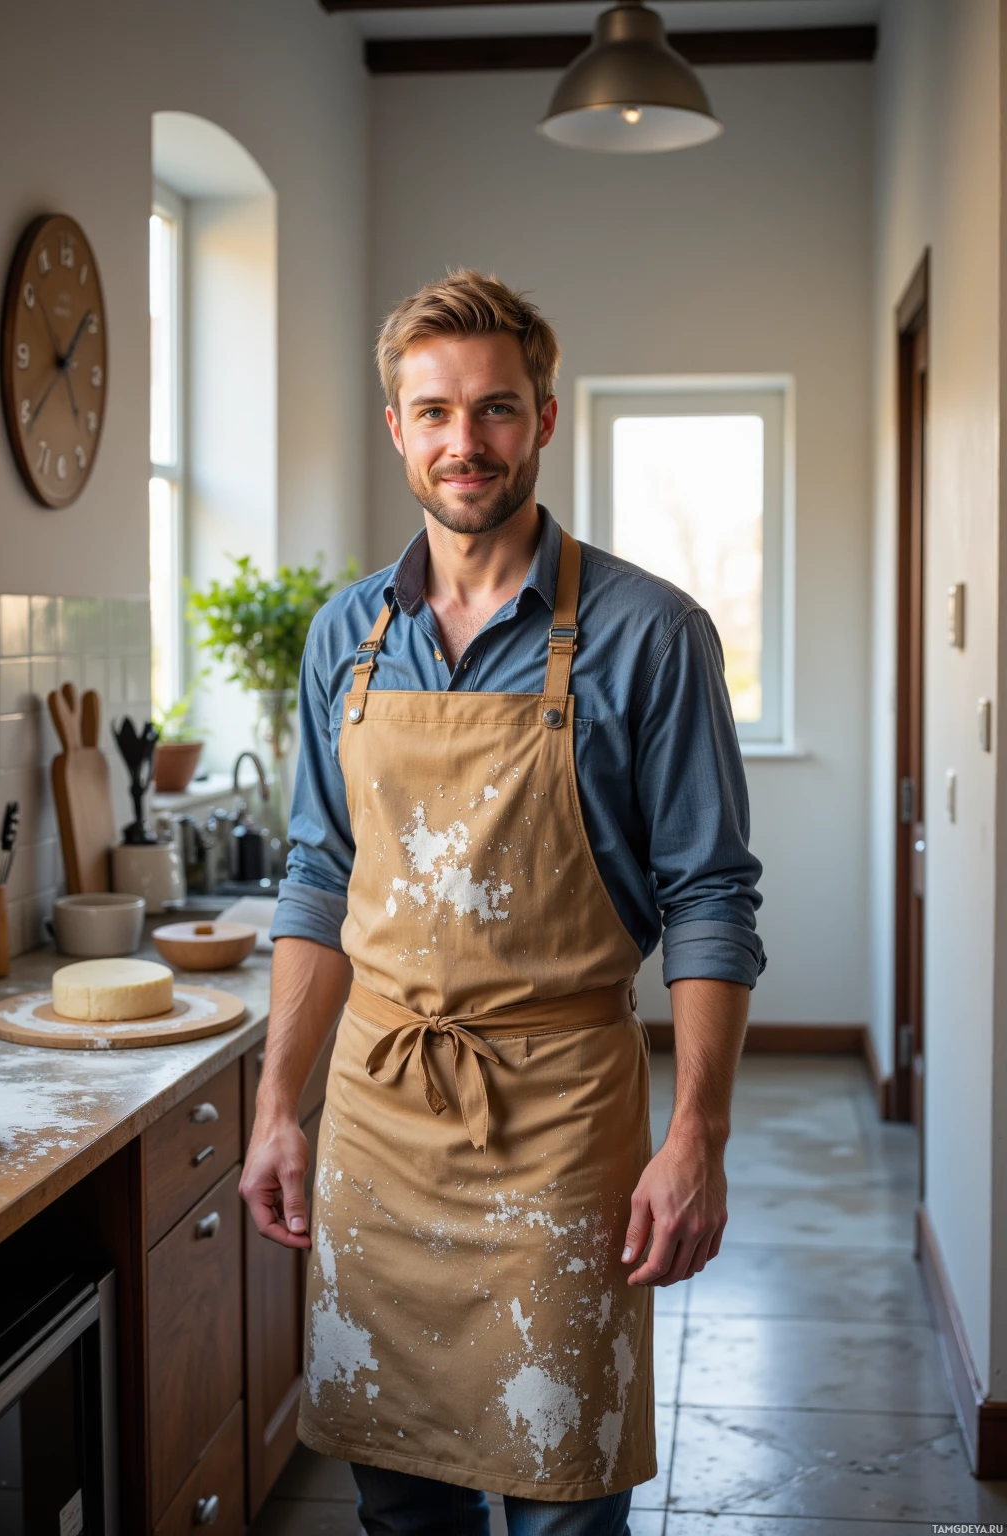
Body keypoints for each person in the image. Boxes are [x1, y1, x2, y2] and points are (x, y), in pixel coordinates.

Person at [239, 269, 765, 1536]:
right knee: (398, 1497)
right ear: (397, 429)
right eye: (432, 413)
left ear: (542, 418)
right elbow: (319, 875)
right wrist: (277, 1104)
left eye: (493, 410)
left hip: (559, 1119)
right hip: (378, 1112)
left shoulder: (652, 634)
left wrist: (697, 1135)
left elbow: (709, 898)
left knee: (563, 1495)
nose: (462, 443)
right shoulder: (344, 639)